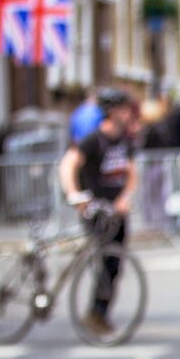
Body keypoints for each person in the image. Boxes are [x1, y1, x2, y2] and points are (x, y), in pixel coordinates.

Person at [59, 88, 138, 336]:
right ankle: (96, 313)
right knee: (103, 263)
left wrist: (126, 197)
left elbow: (132, 173)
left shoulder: (124, 141)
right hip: (96, 211)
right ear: (112, 112)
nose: (128, 114)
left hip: (117, 212)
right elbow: (68, 164)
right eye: (124, 110)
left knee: (115, 265)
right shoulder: (93, 140)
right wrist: (74, 196)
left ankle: (100, 313)